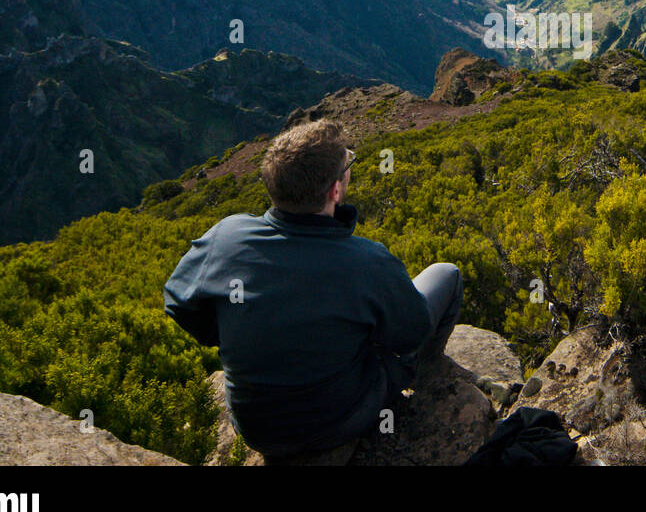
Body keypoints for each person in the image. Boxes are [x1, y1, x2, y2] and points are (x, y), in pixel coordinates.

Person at [162, 119, 462, 462]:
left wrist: (241, 331)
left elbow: (178, 301)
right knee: (446, 274)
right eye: (346, 165)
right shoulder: (367, 261)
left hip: (255, 428)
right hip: (336, 422)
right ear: (335, 191)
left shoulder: (226, 237)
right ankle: (431, 375)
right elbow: (411, 333)